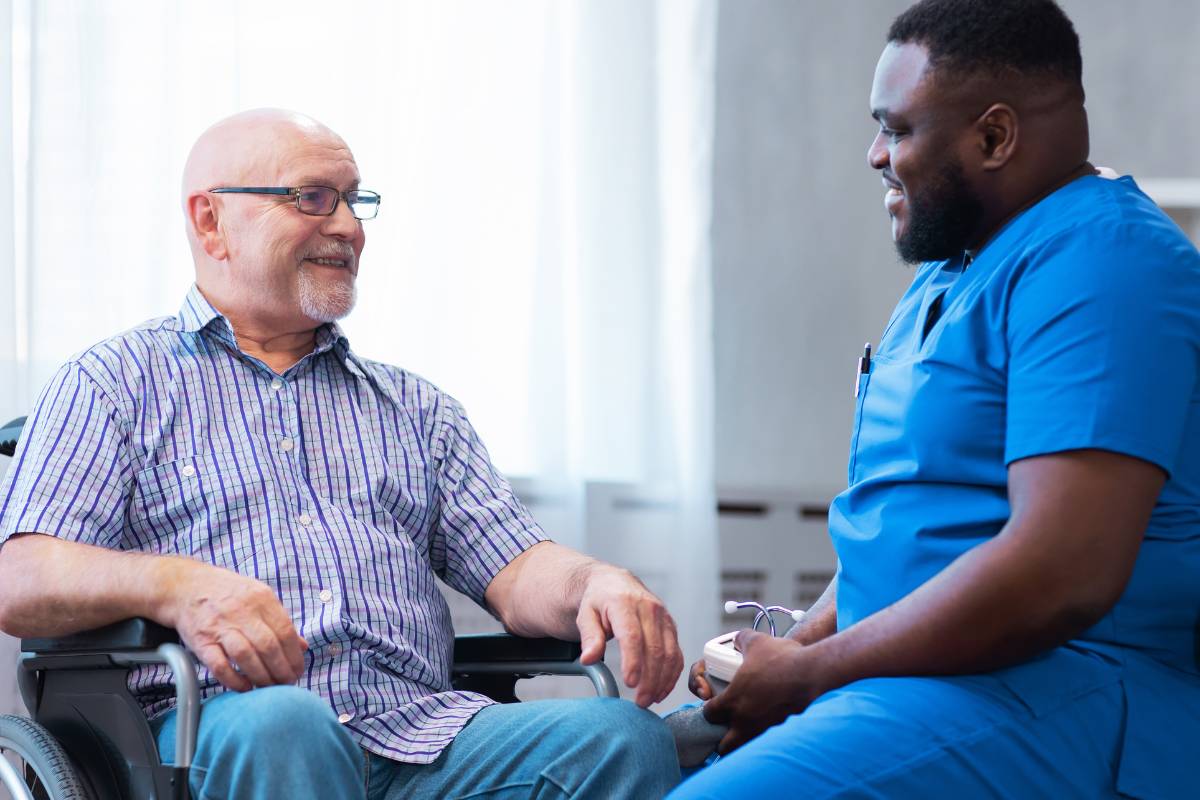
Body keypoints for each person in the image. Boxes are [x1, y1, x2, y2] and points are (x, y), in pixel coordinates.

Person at [0, 109, 684, 799]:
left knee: (620, 739)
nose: (349, 227)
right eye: (311, 198)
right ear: (210, 222)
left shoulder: (417, 409)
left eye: (355, 201)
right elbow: (20, 576)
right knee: (288, 727)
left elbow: (517, 568)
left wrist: (594, 582)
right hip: (215, 731)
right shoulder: (112, 382)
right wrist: (177, 585)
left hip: (422, 733)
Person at [671, 0, 1200, 797]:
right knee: (627, 765)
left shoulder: (1104, 264)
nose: (876, 154)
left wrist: (811, 674)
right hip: (935, 683)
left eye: (899, 128)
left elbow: (1062, 573)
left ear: (993, 136)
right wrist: (794, 648)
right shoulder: (954, 268)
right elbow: (920, 529)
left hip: (1075, 688)